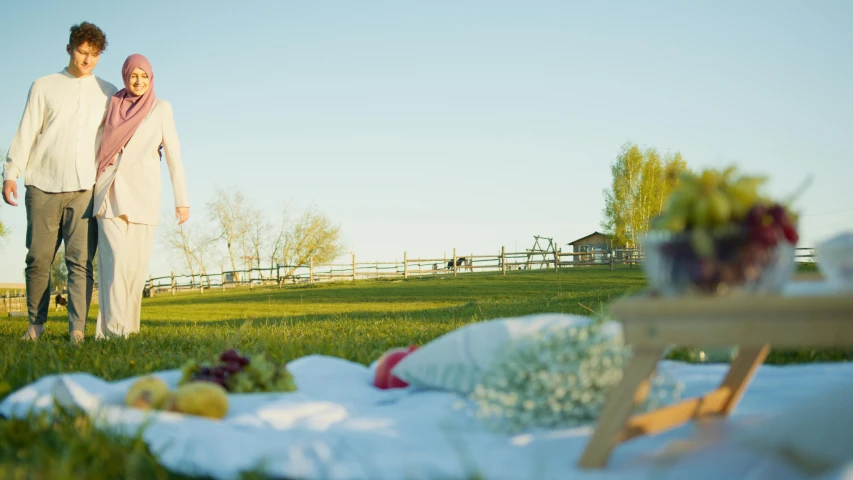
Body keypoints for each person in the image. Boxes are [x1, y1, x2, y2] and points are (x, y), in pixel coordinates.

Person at [3, 22, 118, 342]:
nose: (87, 60)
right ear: (69, 49)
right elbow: (27, 131)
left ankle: (77, 331)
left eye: (94, 55)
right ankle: (35, 326)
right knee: (38, 258)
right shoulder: (44, 85)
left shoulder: (107, 92)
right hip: (42, 185)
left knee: (80, 262)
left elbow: (124, 130)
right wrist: (11, 172)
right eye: (82, 52)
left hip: (85, 188)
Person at [93, 53, 189, 339]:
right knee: (115, 263)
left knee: (134, 269)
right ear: (125, 76)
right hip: (109, 192)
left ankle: (128, 331)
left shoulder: (161, 108)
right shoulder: (113, 104)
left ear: (151, 78)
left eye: (144, 76)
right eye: (133, 75)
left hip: (143, 195)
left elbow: (174, 156)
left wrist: (181, 200)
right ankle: (110, 332)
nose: (138, 81)